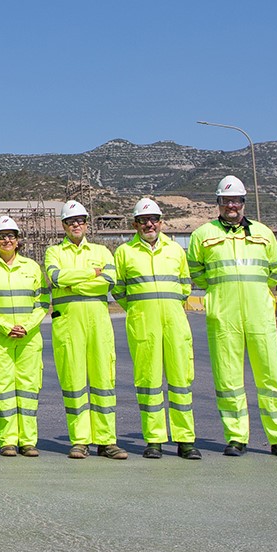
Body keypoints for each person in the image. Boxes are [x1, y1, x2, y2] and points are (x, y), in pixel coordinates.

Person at [188, 175, 277, 458]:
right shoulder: (203, 235)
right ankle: (236, 437)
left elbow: (275, 271)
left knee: (270, 377)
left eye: (236, 200)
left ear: (243, 202)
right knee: (228, 379)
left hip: (259, 314)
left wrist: (256, 292)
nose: (231, 206)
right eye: (226, 201)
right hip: (224, 316)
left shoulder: (264, 233)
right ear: (218, 203)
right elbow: (196, 273)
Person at [115, 197, 199, 459]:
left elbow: (185, 287)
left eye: (153, 219)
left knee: (180, 381)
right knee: (148, 381)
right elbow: (119, 291)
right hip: (143, 325)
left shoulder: (175, 250)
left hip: (175, 323)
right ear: (135, 224)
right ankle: (154, 439)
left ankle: (185, 439)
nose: (148, 224)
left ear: (161, 222)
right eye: (143, 220)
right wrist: (141, 310)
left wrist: (168, 305)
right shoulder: (125, 252)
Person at [44, 200, 126, 459]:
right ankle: (80, 440)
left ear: (86, 223)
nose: (75, 225)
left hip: (99, 326)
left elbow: (107, 284)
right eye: (70, 221)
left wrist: (75, 281)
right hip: (68, 326)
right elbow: (57, 278)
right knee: (74, 382)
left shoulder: (103, 251)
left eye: (80, 220)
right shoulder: (54, 252)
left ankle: (106, 441)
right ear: (63, 225)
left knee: (103, 381)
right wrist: (92, 273)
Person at [0, 215, 46, 457]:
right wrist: (4, 326)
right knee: (3, 390)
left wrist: (27, 326)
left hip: (29, 339)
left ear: (18, 240)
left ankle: (28, 441)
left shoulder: (31, 268)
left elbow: (43, 302)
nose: (7, 240)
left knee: (28, 390)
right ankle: (7, 440)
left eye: (11, 236)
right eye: (1, 236)